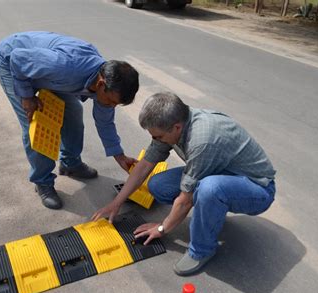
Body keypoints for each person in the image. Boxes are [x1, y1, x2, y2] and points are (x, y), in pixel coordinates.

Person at [92, 92, 276, 276]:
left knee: (209, 189)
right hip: (222, 171)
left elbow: (185, 199)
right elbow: (144, 166)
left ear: (177, 128)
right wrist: (116, 202)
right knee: (158, 185)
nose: (155, 140)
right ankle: (213, 209)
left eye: (158, 137)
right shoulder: (174, 123)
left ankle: (201, 250)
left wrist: (162, 227)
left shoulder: (201, 140)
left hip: (257, 187)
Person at [0, 31, 139, 210]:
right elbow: (18, 59)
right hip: (11, 62)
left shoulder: (105, 84)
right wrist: (27, 95)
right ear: (101, 85)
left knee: (73, 111)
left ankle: (70, 163)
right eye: (111, 101)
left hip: (46, 74)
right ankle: (43, 182)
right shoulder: (65, 66)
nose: (111, 106)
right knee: (37, 124)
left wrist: (120, 156)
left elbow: (105, 123)